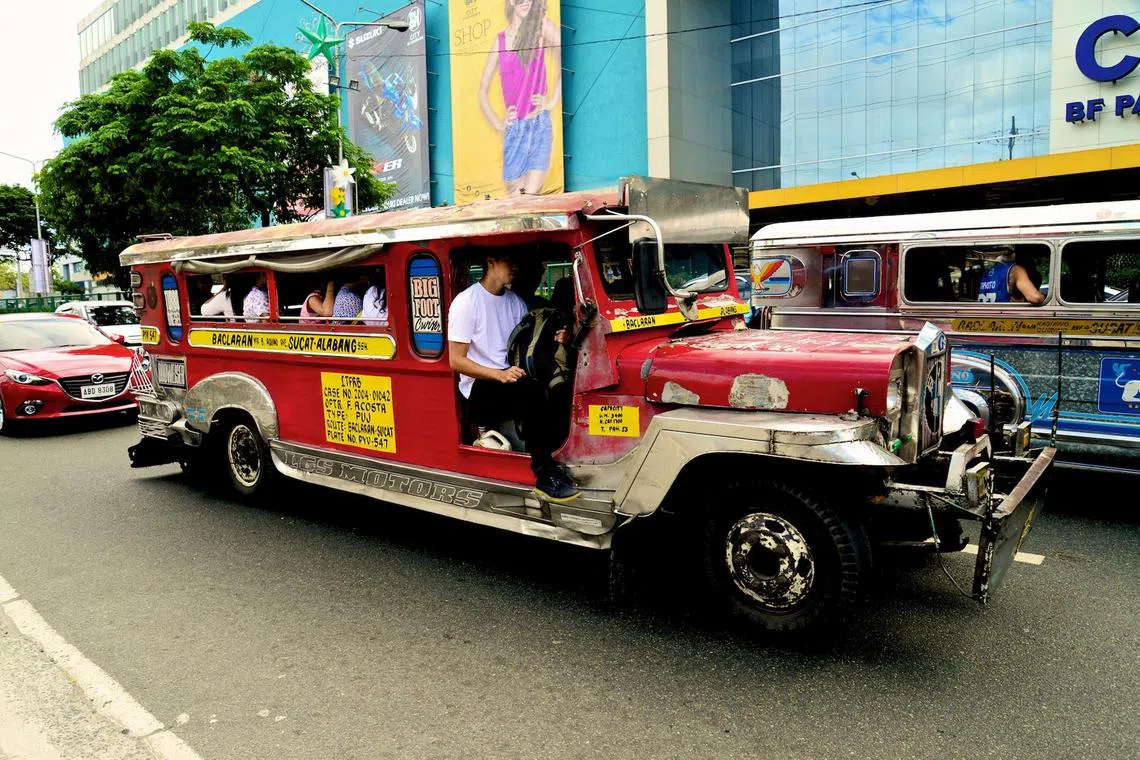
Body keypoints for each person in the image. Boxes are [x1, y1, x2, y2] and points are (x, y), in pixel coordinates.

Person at [447, 252, 578, 502]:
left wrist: (560, 338)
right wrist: (499, 374)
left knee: (559, 384)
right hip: (479, 385)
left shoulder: (515, 302)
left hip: (512, 374)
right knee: (530, 391)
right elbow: (457, 361)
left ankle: (558, 455)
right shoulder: (466, 302)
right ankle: (544, 474)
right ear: (491, 262)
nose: (516, 268)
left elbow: (528, 343)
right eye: (510, 261)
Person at [478, 0, 561, 196]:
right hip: (514, 132)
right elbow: (482, 90)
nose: (526, 2)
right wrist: (499, 124)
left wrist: (552, 100)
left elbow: (568, 50)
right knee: (517, 201)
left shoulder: (541, 27)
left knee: (529, 198)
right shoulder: (499, 41)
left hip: (539, 126)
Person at [976, 250, 1045, 305]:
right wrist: (1044, 296)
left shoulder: (986, 273)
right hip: (1005, 318)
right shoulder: (1016, 269)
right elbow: (1036, 298)